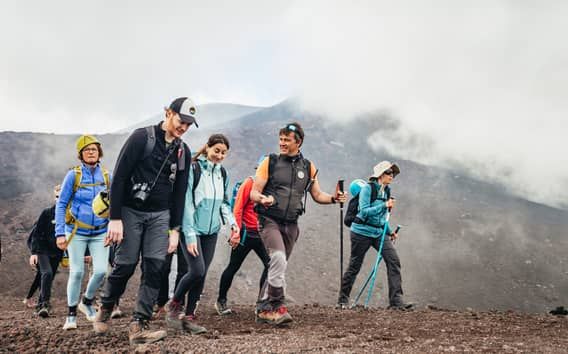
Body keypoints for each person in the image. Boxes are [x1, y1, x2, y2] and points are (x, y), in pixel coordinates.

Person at [93, 97, 194, 345]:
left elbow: (180, 193)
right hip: (130, 211)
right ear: (168, 113)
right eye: (182, 121)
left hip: (161, 216)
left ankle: (139, 324)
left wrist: (175, 229)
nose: (184, 128)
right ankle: (106, 305)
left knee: (155, 267)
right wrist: (114, 219)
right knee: (125, 265)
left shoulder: (183, 152)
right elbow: (118, 178)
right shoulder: (141, 138)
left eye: (189, 125)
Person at [250, 122, 347, 325]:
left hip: (291, 224)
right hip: (269, 219)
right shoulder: (270, 161)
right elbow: (253, 192)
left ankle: (263, 309)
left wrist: (334, 199)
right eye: (281, 139)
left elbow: (317, 195)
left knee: (277, 266)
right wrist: (262, 199)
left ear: (298, 142)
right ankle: (277, 306)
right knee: (277, 259)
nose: (282, 143)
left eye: (287, 140)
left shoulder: (308, 167)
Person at [166, 133, 237, 335]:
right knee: (196, 270)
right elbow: (186, 204)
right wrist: (188, 235)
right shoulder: (194, 169)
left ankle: (189, 318)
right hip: (192, 229)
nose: (220, 156)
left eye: (224, 153)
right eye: (217, 151)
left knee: (202, 274)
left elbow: (224, 202)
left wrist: (232, 223)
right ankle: (174, 304)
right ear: (207, 148)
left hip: (211, 231)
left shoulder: (222, 173)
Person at [337, 161, 413, 310]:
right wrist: (384, 205)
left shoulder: (387, 191)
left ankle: (396, 302)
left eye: (393, 174)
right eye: (389, 173)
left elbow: (382, 217)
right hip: (361, 232)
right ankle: (342, 300)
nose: (392, 176)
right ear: (380, 174)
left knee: (394, 261)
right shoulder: (367, 189)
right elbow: (364, 211)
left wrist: (390, 231)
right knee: (355, 266)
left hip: (379, 232)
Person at [55, 135, 111, 330]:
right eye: (86, 149)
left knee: (102, 271)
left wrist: (114, 226)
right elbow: (61, 204)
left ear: (99, 152)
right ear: (80, 154)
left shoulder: (106, 176)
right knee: (77, 272)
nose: (90, 152)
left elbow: (114, 203)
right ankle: (71, 316)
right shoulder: (73, 175)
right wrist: (59, 233)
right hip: (76, 231)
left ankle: (86, 302)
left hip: (100, 232)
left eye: (94, 149)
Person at [215, 155, 270, 316]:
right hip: (246, 234)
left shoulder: (271, 187)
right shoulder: (249, 183)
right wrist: (236, 233)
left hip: (262, 235)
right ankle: (221, 300)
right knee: (233, 266)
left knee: (270, 265)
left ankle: (262, 303)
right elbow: (237, 209)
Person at [26, 185, 64, 317]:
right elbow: (36, 234)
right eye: (57, 197)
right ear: (54, 197)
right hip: (42, 250)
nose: (59, 199)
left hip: (57, 252)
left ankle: (40, 306)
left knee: (48, 277)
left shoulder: (69, 215)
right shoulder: (47, 213)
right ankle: (44, 304)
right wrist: (34, 253)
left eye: (62, 196)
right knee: (46, 273)